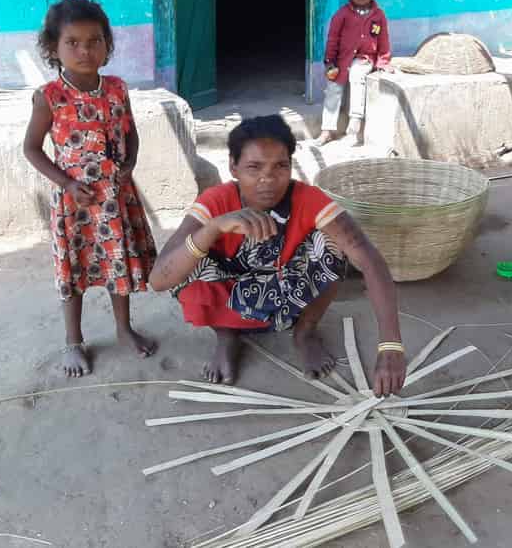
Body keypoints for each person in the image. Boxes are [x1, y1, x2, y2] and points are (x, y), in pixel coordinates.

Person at [150, 115, 407, 396]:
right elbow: (160, 278)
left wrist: (391, 344)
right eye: (254, 167)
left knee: (334, 245)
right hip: (231, 288)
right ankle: (226, 334)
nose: (268, 179)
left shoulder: (308, 198)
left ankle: (305, 332)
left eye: (280, 166)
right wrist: (213, 227)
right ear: (233, 167)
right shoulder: (216, 201)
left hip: (285, 285)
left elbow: (369, 259)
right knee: (187, 256)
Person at [23, 0, 158, 378]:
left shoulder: (117, 89)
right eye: (73, 42)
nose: (85, 50)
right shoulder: (49, 97)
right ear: (54, 48)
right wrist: (66, 183)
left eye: (95, 40)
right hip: (75, 203)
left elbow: (131, 134)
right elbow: (31, 149)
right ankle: (73, 341)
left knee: (118, 265)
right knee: (75, 272)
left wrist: (129, 166)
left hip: (116, 199)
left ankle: (123, 329)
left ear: (107, 44)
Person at [315, 0, 393, 147]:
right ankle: (327, 130)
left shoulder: (378, 15)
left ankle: (353, 129)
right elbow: (333, 38)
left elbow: (383, 39)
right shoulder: (341, 15)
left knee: (357, 75)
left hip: (364, 59)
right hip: (341, 61)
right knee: (333, 88)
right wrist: (329, 61)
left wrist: (383, 61)